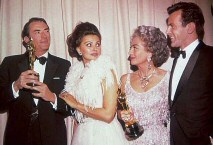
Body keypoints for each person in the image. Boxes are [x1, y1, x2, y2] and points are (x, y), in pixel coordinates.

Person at [0, 17, 71, 145]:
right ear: (27, 40)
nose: (44, 36)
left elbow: (70, 108)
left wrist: (53, 97)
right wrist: (15, 86)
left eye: (47, 31)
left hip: (53, 139)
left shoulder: (64, 65)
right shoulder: (9, 63)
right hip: (17, 138)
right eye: (38, 32)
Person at [59, 22, 129, 145]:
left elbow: (108, 115)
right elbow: (78, 117)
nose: (95, 48)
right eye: (89, 45)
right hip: (82, 133)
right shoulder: (75, 73)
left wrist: (76, 104)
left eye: (97, 44)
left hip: (105, 134)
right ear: (78, 49)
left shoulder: (106, 69)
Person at [166, 2, 213, 145]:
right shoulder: (175, 60)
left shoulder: (211, 56)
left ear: (190, 27)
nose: (167, 31)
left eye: (172, 26)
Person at [117, 25, 170, 144]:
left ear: (150, 52)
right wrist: (122, 115)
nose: (130, 52)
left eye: (135, 48)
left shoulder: (168, 79)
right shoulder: (125, 79)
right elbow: (119, 111)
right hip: (132, 140)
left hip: (160, 140)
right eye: (131, 47)